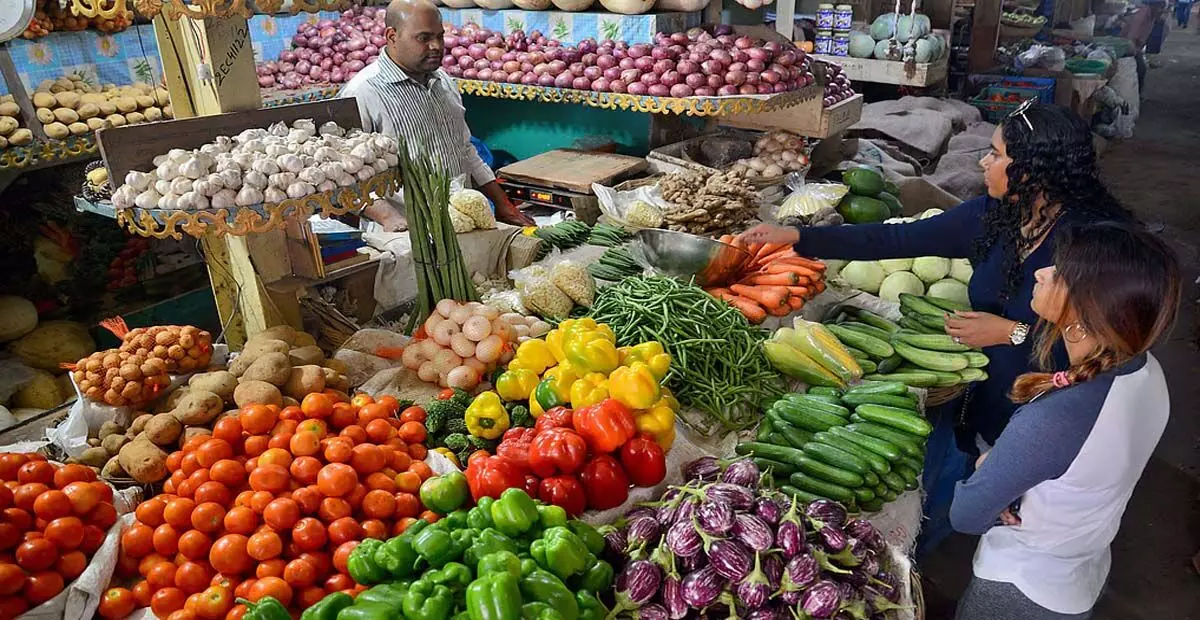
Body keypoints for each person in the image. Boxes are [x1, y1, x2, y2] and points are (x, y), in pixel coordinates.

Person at [739, 102, 1130, 456]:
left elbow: (1112, 351)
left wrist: (1014, 332)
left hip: (1050, 413)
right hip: (984, 392)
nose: (983, 163)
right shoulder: (998, 215)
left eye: (995, 155)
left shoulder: (1094, 245)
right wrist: (799, 237)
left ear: (1032, 169)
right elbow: (897, 237)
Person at [950, 221, 1181, 619]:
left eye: (1057, 272)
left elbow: (967, 516)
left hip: (1021, 590)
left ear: (1086, 310)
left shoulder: (1056, 418)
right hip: (1082, 568)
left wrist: (987, 467)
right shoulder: (1147, 372)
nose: (1041, 273)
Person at [339, 0, 533, 230]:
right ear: (392, 36)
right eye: (424, 38)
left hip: (461, 222)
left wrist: (503, 204)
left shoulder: (443, 81)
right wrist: (388, 218)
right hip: (406, 230)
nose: (436, 46)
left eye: (440, 36)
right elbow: (346, 175)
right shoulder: (362, 92)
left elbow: (465, 149)